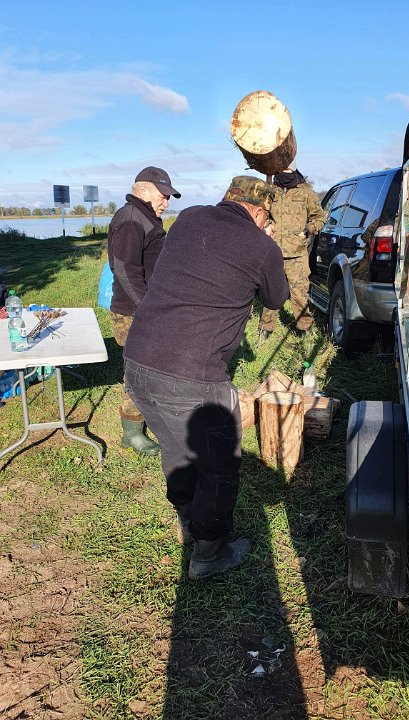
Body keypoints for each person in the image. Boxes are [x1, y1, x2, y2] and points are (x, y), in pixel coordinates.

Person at [123, 176, 288, 580]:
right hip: (192, 376)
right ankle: (209, 552)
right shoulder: (262, 245)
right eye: (267, 219)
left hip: (138, 363)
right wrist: (267, 244)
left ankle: (187, 519)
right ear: (259, 212)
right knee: (219, 466)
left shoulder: (190, 217)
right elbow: (276, 298)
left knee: (176, 447)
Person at [108, 166, 181, 455]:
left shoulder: (144, 217)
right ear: (145, 189)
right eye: (164, 195)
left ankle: (151, 418)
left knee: (152, 368)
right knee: (139, 373)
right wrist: (148, 307)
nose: (167, 202)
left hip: (148, 309)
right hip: (133, 313)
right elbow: (124, 269)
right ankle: (132, 434)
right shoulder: (130, 219)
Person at [258, 161, 326, 341]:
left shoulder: (305, 191)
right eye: (282, 166)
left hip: (297, 252)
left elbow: (319, 217)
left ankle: (304, 329)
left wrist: (308, 230)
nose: (285, 169)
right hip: (273, 250)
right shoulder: (272, 190)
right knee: (271, 291)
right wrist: (267, 225)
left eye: (289, 166)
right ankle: (265, 329)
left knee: (299, 293)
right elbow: (262, 213)